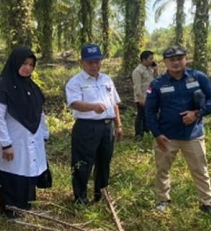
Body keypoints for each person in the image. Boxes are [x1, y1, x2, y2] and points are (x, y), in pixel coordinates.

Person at [145, 45, 211, 214]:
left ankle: (206, 203)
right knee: (162, 170)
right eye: (171, 60)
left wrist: (197, 113)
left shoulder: (198, 77)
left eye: (179, 59)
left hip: (193, 135)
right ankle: (163, 200)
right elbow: (149, 112)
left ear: (186, 59)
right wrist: (157, 134)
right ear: (165, 62)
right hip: (167, 136)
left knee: (200, 169)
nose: (176, 63)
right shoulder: (157, 84)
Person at [0, 46, 49, 219]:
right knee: (12, 174)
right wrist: (5, 143)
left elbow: (40, 112)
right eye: (24, 63)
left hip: (32, 137)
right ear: (15, 63)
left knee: (29, 171)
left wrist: (44, 134)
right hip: (13, 139)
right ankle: (10, 211)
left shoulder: (32, 86)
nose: (28, 68)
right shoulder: (1, 87)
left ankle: (26, 207)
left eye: (31, 64)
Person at [65, 43, 123, 205]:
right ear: (81, 62)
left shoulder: (107, 80)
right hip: (86, 127)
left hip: (107, 127)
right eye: (90, 62)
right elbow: (74, 103)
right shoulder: (75, 82)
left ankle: (101, 195)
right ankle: (80, 198)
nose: (94, 65)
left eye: (97, 61)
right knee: (83, 162)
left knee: (104, 161)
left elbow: (114, 104)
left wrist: (118, 125)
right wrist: (93, 107)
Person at [131, 50, 155, 139]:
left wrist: (155, 71)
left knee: (147, 115)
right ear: (144, 60)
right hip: (142, 97)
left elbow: (153, 82)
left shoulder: (150, 69)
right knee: (140, 115)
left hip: (150, 96)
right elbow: (137, 86)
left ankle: (146, 131)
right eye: (150, 58)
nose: (152, 60)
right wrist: (141, 99)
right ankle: (138, 134)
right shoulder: (137, 71)